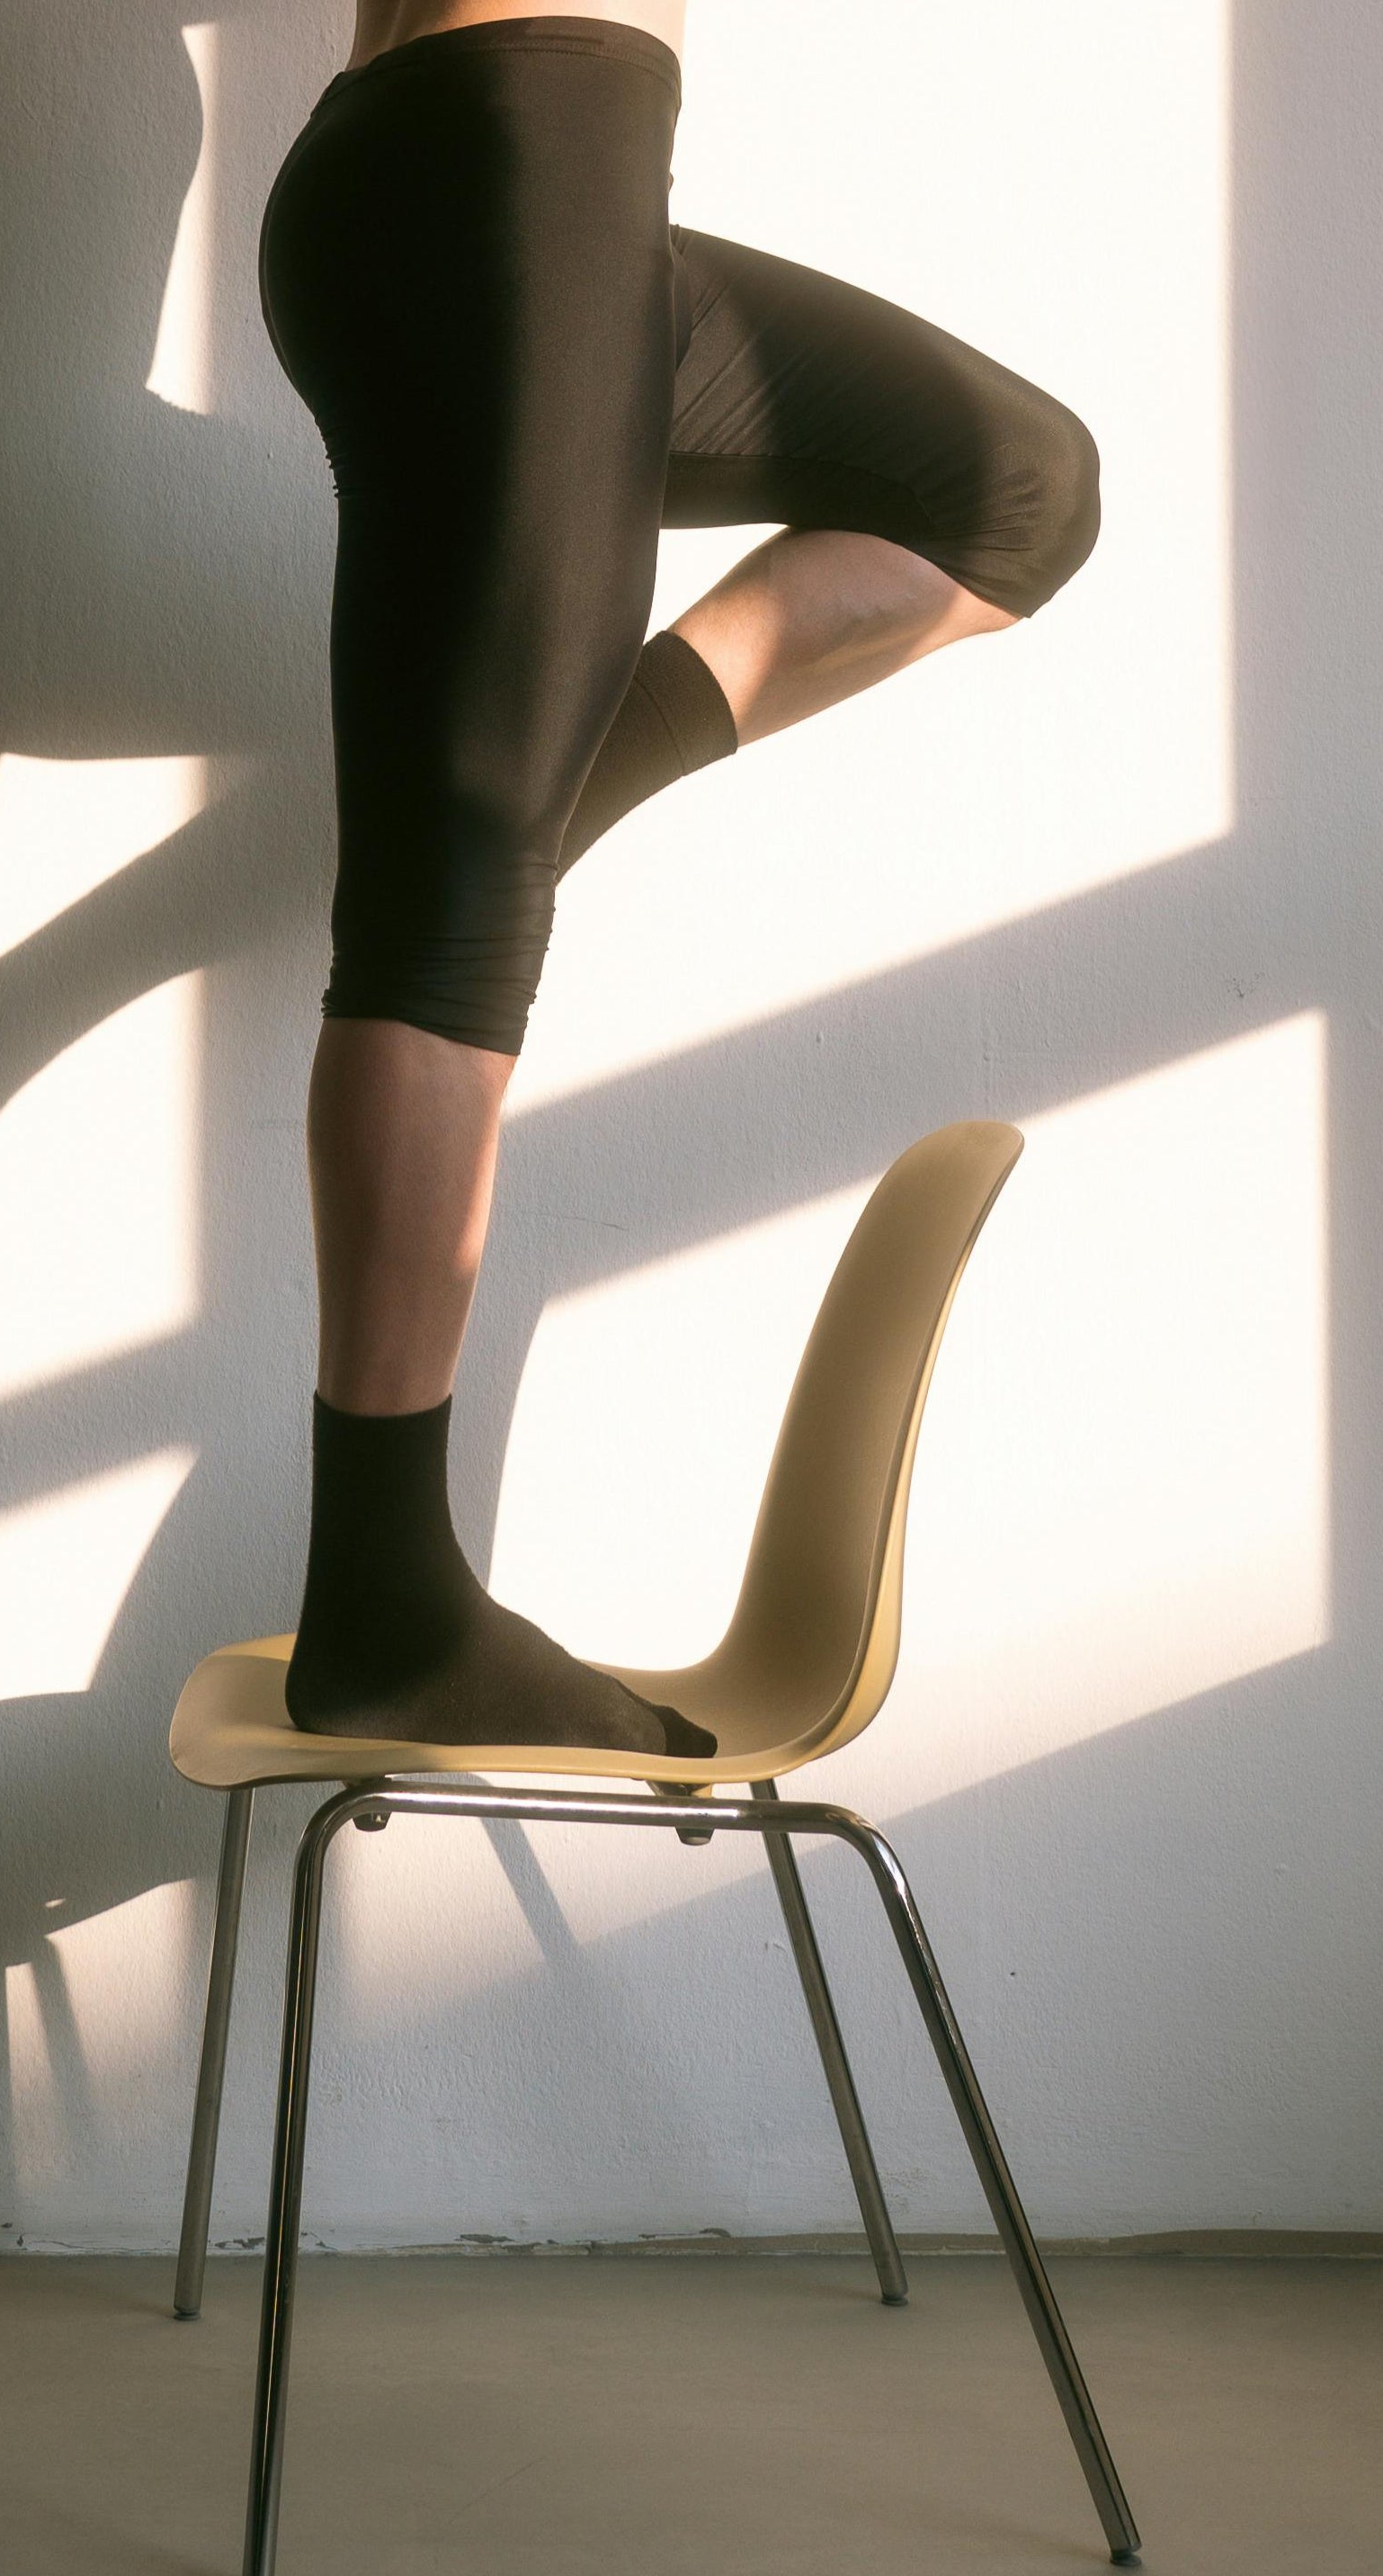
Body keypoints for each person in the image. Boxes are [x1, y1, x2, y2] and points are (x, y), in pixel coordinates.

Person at [266, 2, 1099, 1757]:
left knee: (1016, 491)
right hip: (514, 147)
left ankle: (528, 824)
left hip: (513, 166)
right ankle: (387, 1601)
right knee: (451, 913)